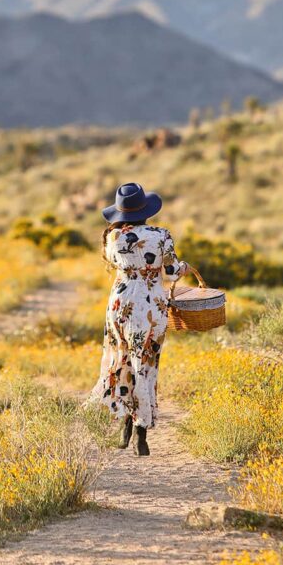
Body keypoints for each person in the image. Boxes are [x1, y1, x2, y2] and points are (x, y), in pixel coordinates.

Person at [89, 182, 187, 456]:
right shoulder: (161, 235)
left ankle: (124, 428)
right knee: (145, 364)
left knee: (121, 361)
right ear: (145, 209)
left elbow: (117, 264)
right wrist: (184, 267)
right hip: (150, 307)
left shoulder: (112, 237)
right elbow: (171, 271)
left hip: (120, 304)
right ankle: (141, 434)